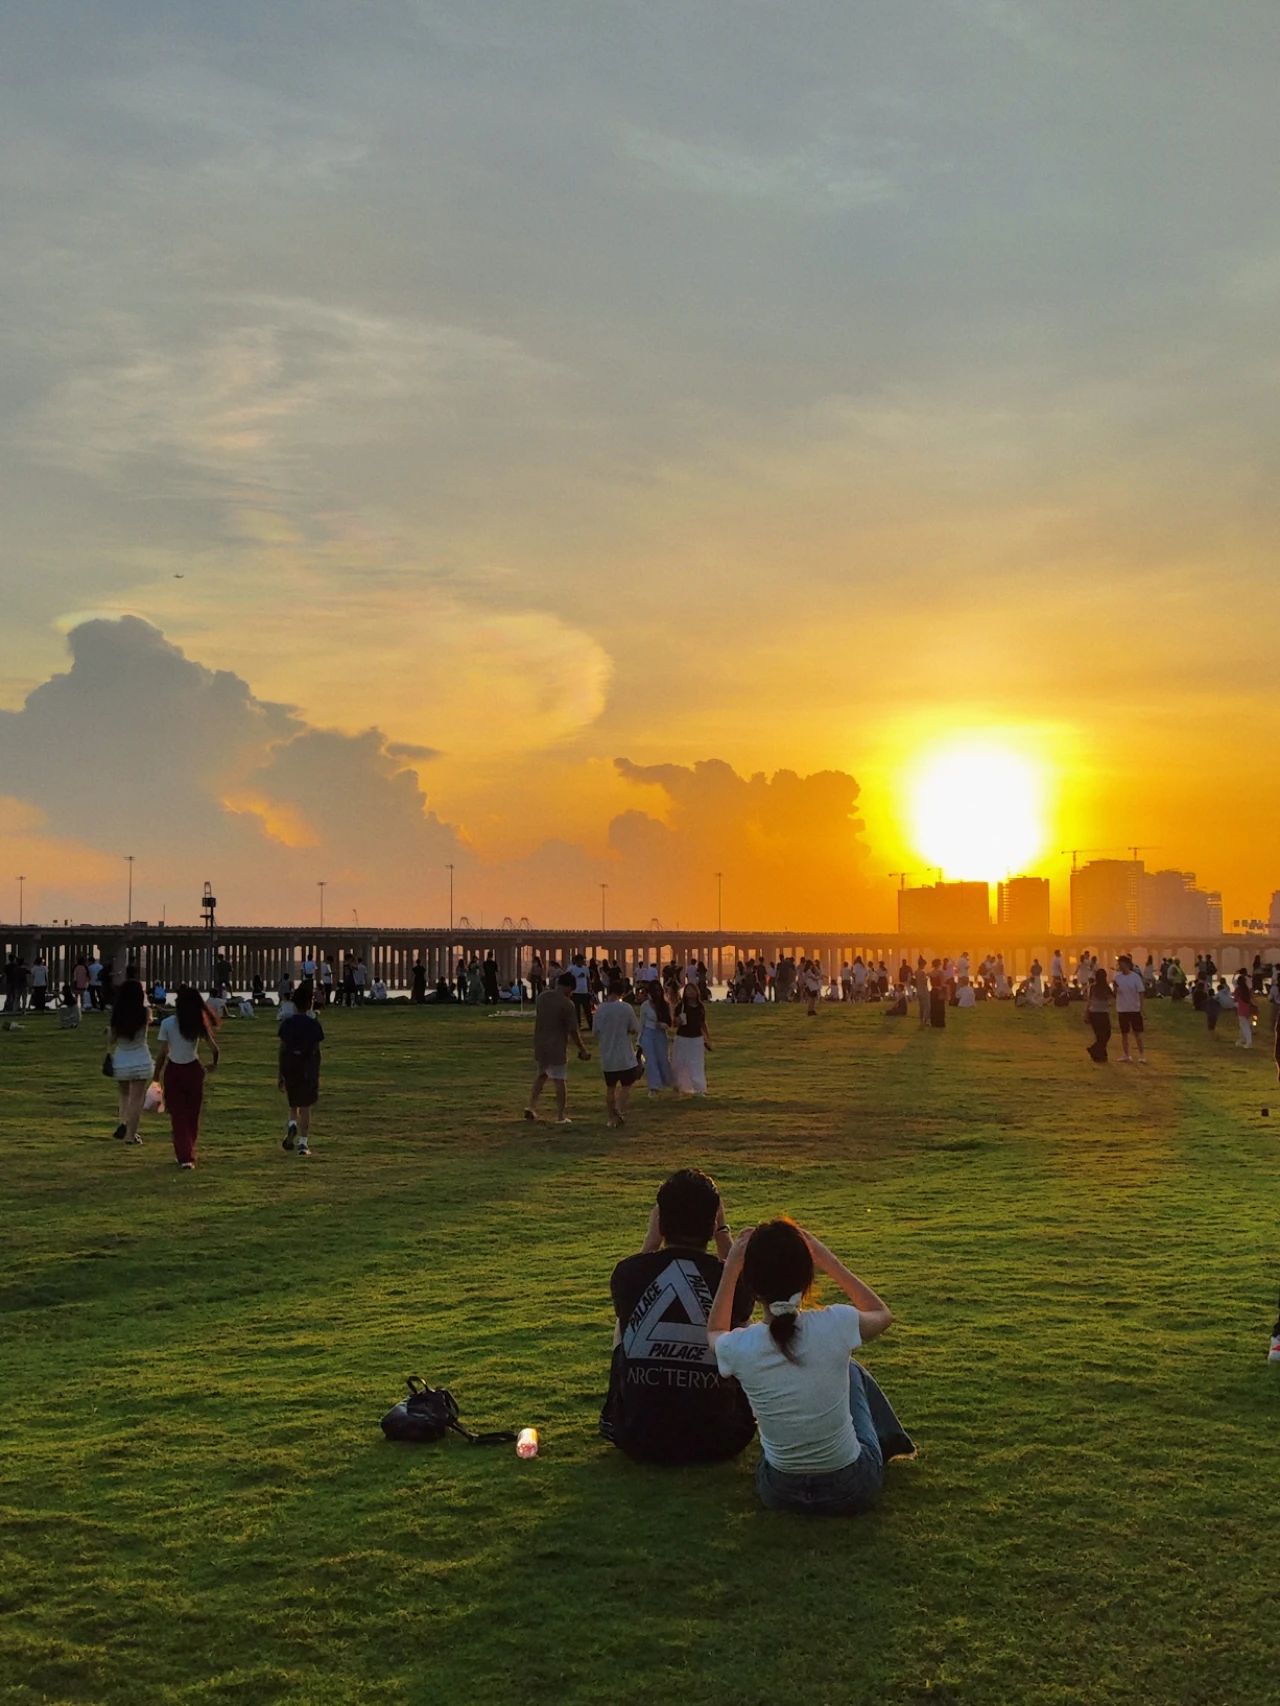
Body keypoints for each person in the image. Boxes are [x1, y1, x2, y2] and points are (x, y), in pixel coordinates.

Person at [707, 1219, 913, 1515]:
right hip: (851, 1488)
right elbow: (881, 1313)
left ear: (753, 1287)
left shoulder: (742, 1346)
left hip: (779, 1491)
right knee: (851, 1369)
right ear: (807, 1278)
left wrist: (730, 1270)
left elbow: (714, 1333)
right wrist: (827, 1259)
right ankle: (891, 1442)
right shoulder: (835, 1325)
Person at [599, 1169, 756, 1464]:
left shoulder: (627, 1273)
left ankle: (626, 1402)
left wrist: (650, 1241)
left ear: (660, 1221)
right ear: (711, 1224)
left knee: (626, 1321)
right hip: (721, 1439)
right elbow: (737, 1279)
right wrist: (723, 1232)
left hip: (634, 1435)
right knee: (742, 1323)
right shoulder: (729, 1278)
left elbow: (634, 1286)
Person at [153, 986, 221, 1168]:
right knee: (192, 1114)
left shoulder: (168, 1024)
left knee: (178, 1115)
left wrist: (156, 1075)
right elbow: (215, 1049)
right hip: (194, 1070)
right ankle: (188, 1150)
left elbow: (162, 1053)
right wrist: (213, 1064)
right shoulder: (198, 1022)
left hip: (174, 1070)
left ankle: (184, 1154)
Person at [525, 972, 590, 1123]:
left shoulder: (542, 997)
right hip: (557, 1046)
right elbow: (573, 1031)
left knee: (541, 1075)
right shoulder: (567, 1004)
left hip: (540, 1043)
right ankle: (560, 1116)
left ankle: (531, 1107)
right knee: (559, 1079)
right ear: (569, 987)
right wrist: (583, 1049)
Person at [278, 981, 323, 1156]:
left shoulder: (287, 1024)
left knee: (293, 1103)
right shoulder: (314, 1024)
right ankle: (303, 1143)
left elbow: (282, 1048)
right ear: (309, 1004)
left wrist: (280, 1074)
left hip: (290, 1064)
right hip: (307, 1066)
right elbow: (316, 1050)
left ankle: (292, 1125)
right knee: (306, 1106)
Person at [106, 976, 152, 1145]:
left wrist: (109, 1032)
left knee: (124, 1095)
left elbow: (112, 1040)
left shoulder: (117, 1013)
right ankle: (131, 1135)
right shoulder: (145, 1012)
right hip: (140, 1057)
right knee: (137, 1099)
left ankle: (123, 1123)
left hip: (122, 1058)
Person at [592, 979, 642, 1128]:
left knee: (610, 1088)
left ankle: (610, 1117)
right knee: (626, 1085)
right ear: (623, 992)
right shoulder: (626, 1008)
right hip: (624, 1054)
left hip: (607, 1054)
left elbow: (595, 1032)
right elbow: (635, 1028)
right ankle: (618, 1110)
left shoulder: (600, 1009)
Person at [672, 982, 710, 1095]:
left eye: (692, 990)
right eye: (688, 990)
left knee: (696, 1063)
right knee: (680, 1063)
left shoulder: (700, 1006)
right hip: (682, 1038)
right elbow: (674, 1023)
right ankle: (680, 1086)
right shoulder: (681, 1006)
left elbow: (703, 1023)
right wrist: (679, 1020)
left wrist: (707, 1037)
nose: (690, 992)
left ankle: (699, 1089)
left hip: (696, 1039)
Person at [640, 982, 676, 1094]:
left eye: (658, 990)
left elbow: (670, 1022)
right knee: (650, 1060)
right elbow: (641, 1023)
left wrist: (663, 1025)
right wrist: (639, 1040)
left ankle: (670, 1082)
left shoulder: (665, 1005)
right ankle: (654, 1087)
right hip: (648, 1033)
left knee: (663, 1059)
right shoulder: (645, 1006)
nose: (657, 993)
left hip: (660, 1034)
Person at [1113, 953, 1147, 1064]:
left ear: (1127, 964)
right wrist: (1114, 989)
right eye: (1119, 964)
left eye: (1121, 964)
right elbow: (1115, 993)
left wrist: (1141, 1007)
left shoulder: (1135, 977)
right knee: (1124, 1033)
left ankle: (1142, 1055)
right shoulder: (1117, 978)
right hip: (1122, 1009)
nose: (1120, 966)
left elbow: (1141, 992)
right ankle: (1126, 1054)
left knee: (1137, 1033)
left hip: (1134, 1009)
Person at [1085, 966, 1112, 1063]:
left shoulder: (1094, 987)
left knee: (1101, 1035)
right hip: (1102, 1013)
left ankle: (1099, 1054)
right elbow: (1111, 998)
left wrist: (1086, 1013)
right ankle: (1096, 1051)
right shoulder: (1104, 987)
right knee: (1105, 1035)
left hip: (1095, 1013)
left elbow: (1089, 1001)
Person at [1233, 973, 1257, 1049]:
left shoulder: (1238, 990)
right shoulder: (1247, 989)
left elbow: (1235, 1001)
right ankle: (1242, 1040)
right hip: (1248, 1009)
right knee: (1244, 1025)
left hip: (1241, 1009)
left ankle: (1249, 1042)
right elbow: (1251, 998)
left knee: (1244, 1026)